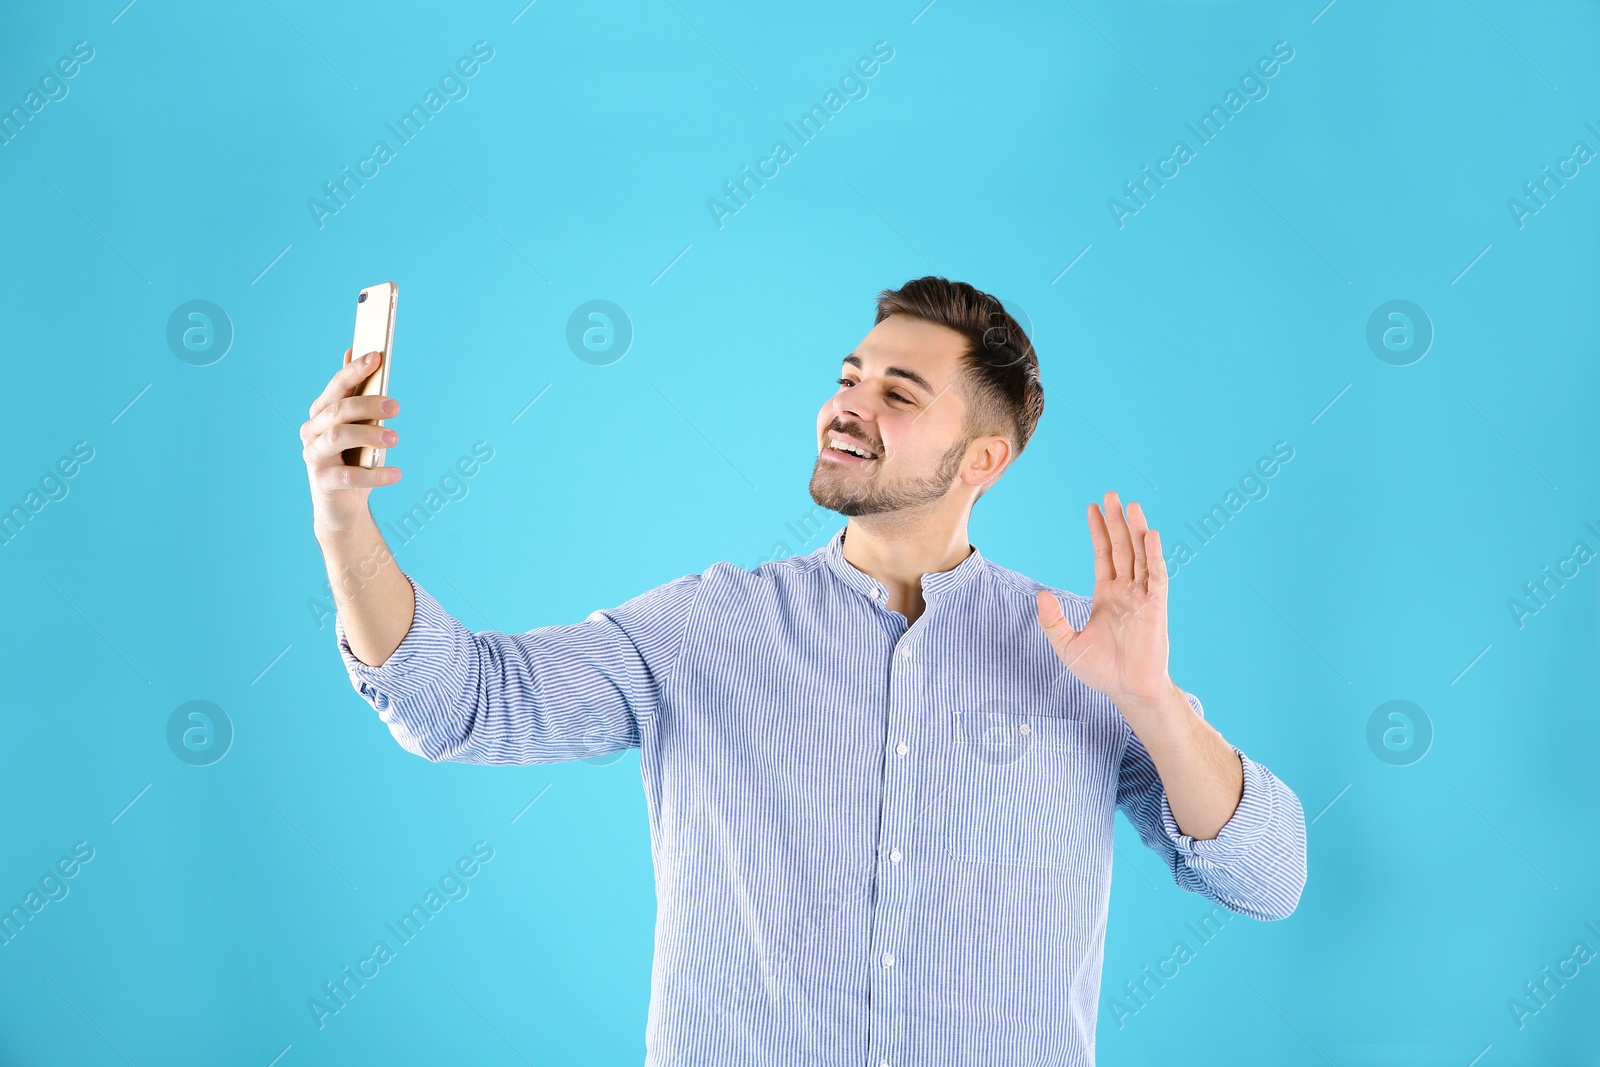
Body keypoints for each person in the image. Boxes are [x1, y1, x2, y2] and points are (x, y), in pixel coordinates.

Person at [301, 275, 1307, 1064]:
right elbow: (460, 702)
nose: (847, 405)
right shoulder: (709, 624)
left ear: (983, 460)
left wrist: (1150, 699)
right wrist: (344, 521)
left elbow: (1268, 876)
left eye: (897, 393)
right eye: (849, 377)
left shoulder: (1082, 649)